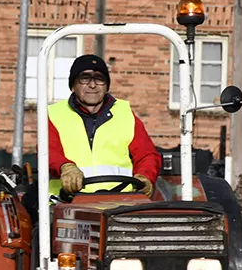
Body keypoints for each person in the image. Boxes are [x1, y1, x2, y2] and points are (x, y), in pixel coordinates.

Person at [47, 54, 160, 196]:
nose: (92, 85)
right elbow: (49, 152)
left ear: (106, 86)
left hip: (120, 202)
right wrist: (66, 167)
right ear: (73, 85)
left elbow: (147, 155)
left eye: (99, 79)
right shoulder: (55, 114)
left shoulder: (125, 113)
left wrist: (145, 176)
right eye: (84, 78)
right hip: (66, 203)